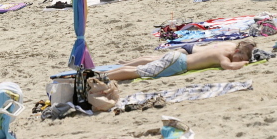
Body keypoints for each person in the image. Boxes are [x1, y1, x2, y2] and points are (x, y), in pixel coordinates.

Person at [107, 41, 256, 81]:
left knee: (143, 67)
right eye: (241, 57)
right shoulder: (222, 56)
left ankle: (107, 73)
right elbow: (228, 66)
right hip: (177, 63)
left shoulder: (225, 50)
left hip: (177, 58)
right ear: (237, 51)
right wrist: (244, 64)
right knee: (138, 72)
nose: (240, 60)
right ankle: (105, 76)